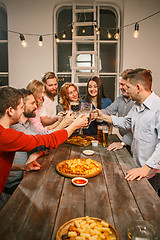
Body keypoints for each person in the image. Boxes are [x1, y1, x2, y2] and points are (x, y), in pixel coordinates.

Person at [0, 86, 88, 196]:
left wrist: (23, 167)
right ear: (10, 111)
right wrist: (74, 125)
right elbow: (44, 140)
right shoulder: (5, 135)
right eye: (21, 107)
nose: (23, 111)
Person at [94, 68, 160, 193]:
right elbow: (126, 122)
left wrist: (146, 168)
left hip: (151, 174)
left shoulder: (158, 108)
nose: (126, 90)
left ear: (138, 88)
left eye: (128, 87)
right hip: (137, 168)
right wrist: (103, 116)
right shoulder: (136, 106)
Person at [103, 69, 134, 152]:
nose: (120, 87)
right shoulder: (120, 98)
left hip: (134, 144)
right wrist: (95, 113)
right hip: (125, 141)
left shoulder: (138, 102)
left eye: (122, 84)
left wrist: (123, 142)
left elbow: (135, 126)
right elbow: (108, 111)